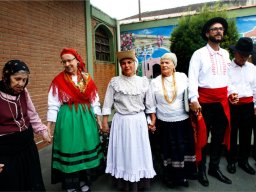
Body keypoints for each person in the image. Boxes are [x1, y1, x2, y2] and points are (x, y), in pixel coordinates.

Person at [188, 17, 238, 187]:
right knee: (202, 137)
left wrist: (231, 93)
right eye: (215, 29)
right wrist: (193, 99)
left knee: (218, 137)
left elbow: (228, 78)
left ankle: (214, 168)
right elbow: (192, 79)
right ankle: (201, 170)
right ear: (207, 33)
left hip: (222, 102)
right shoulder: (199, 54)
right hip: (204, 102)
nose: (219, 31)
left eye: (221, 29)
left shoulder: (225, 53)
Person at [47, 48, 103, 192]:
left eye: (69, 60)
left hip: (86, 119)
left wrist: (99, 118)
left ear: (77, 60)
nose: (67, 64)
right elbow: (53, 105)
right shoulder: (58, 81)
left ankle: (84, 182)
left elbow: (94, 101)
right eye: (64, 61)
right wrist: (49, 126)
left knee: (86, 149)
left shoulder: (87, 78)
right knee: (70, 150)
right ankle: (71, 186)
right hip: (68, 119)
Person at [101, 49, 156, 191]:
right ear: (120, 65)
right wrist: (104, 122)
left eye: (129, 62)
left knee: (138, 151)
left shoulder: (143, 82)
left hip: (138, 121)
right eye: (123, 63)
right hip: (121, 122)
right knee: (123, 151)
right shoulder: (115, 82)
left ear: (134, 64)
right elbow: (107, 103)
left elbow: (150, 105)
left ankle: (139, 181)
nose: (126, 66)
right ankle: (124, 182)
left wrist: (152, 121)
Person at [146, 53, 197, 188]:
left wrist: (194, 104)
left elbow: (191, 94)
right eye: (162, 63)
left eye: (167, 62)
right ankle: (169, 177)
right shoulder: (155, 82)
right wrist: (152, 120)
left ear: (174, 65)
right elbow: (151, 104)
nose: (164, 65)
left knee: (182, 149)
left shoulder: (182, 77)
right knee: (167, 151)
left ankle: (183, 177)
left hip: (182, 121)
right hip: (164, 122)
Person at [0, 60, 51, 191]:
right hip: (6, 153)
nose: (21, 84)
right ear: (6, 77)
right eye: (17, 79)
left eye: (24, 80)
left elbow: (32, 114)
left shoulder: (24, 92)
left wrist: (42, 130)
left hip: (28, 148)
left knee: (32, 183)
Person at [226, 37, 256, 175]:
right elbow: (226, 85)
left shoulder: (252, 68)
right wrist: (231, 94)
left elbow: (255, 87)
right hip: (233, 106)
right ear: (235, 53)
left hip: (249, 106)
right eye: (241, 54)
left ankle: (243, 161)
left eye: (246, 55)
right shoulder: (227, 68)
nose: (244, 57)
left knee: (246, 134)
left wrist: (255, 104)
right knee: (232, 134)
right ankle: (231, 160)